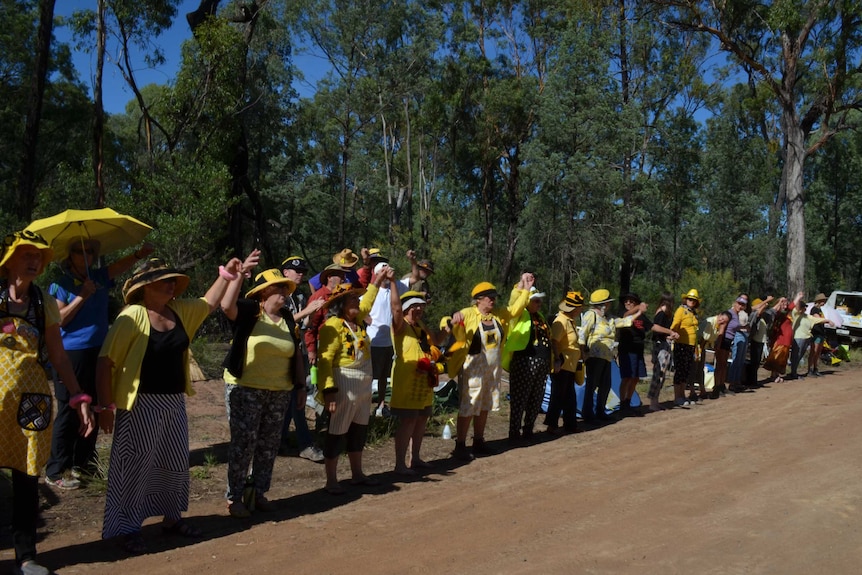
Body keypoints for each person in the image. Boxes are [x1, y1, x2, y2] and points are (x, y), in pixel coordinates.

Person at [96, 255, 244, 554]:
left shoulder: (178, 311)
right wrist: (104, 407)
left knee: (175, 464)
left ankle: (172, 518)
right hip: (140, 404)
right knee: (135, 466)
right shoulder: (132, 316)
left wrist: (226, 273)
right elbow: (105, 363)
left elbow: (209, 302)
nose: (171, 285)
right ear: (146, 286)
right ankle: (129, 527)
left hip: (174, 402)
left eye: (173, 281)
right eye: (164, 281)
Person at [0, 230, 94, 575]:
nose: (35, 260)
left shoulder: (43, 302)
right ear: (9, 259)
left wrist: (79, 397)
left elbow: (58, 354)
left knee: (27, 477)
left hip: (33, 400)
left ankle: (26, 557)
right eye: (27, 254)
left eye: (39, 255)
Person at [45, 238, 153, 490]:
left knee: (95, 405)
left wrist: (139, 253)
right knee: (68, 411)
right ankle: (56, 468)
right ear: (69, 256)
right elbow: (58, 320)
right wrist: (82, 295)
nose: (86, 256)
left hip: (98, 351)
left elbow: (119, 267)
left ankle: (84, 463)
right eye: (80, 251)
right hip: (70, 354)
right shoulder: (59, 285)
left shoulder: (100, 277)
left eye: (92, 252)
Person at [222, 264, 306, 518]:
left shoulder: (289, 319)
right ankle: (234, 497)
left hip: (279, 390)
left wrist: (301, 386)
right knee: (244, 443)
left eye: (285, 287)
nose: (283, 291)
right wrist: (237, 276)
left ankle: (258, 493)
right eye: (278, 286)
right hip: (245, 388)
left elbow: (298, 356)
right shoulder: (250, 311)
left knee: (269, 444)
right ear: (262, 292)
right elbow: (226, 306)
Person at [316, 271, 390, 494]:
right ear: (341, 305)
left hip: (364, 384)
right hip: (344, 383)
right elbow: (325, 359)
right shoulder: (332, 326)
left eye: (357, 299)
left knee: (359, 430)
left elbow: (368, 301)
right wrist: (328, 390)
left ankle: (357, 474)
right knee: (337, 432)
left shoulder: (358, 322)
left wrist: (376, 282)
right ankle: (331, 479)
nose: (357, 303)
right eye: (352, 300)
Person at [448, 274, 534, 460]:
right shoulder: (469, 313)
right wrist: (452, 319)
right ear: (478, 299)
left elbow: (515, 309)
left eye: (494, 297)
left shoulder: (498, 315)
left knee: (485, 405)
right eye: (489, 297)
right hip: (472, 369)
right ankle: (460, 445)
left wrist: (525, 289)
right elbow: (449, 321)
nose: (493, 300)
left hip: (492, 370)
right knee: (468, 407)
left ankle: (478, 441)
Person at [389, 286, 442, 474]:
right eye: (414, 306)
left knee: (422, 418)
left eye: (421, 306)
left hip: (424, 379)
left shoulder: (420, 326)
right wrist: (392, 283)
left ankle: (416, 458)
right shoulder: (400, 324)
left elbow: (436, 341)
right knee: (409, 420)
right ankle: (399, 464)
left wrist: (449, 327)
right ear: (405, 308)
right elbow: (395, 308)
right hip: (407, 379)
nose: (419, 309)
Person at [279, 255, 324, 462]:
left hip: (296, 351)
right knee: (295, 398)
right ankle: (304, 443)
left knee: (294, 397)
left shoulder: (298, 297)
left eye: (302, 272)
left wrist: (312, 314)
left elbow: (303, 324)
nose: (300, 274)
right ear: (285, 272)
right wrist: (308, 311)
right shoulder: (280, 295)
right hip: (281, 354)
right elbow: (284, 322)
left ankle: (280, 440)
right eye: (295, 270)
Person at [578, 289, 642, 423]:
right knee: (592, 386)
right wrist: (583, 353)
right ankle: (588, 414)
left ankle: (600, 412)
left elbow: (624, 322)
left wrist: (639, 312)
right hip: (594, 357)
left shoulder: (609, 318)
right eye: (608, 303)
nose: (609, 305)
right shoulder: (591, 315)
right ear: (602, 304)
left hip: (607, 357)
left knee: (605, 386)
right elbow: (583, 334)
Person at [362, 253, 409, 417]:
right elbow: (360, 306)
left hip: (390, 342)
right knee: (370, 377)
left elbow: (414, 278)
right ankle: (365, 407)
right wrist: (366, 318)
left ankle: (381, 405)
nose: (387, 275)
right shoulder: (371, 290)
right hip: (374, 341)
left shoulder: (394, 288)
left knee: (384, 377)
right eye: (383, 272)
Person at [617, 292, 677, 415]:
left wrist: (669, 331)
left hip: (638, 349)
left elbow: (653, 326)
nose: (628, 303)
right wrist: (638, 308)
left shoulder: (642, 317)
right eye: (626, 301)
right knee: (627, 377)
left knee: (635, 377)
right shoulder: (623, 313)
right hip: (627, 349)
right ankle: (622, 404)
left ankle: (628, 403)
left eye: (631, 301)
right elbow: (625, 316)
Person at [505, 286, 551, 441]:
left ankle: (528, 429)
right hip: (524, 361)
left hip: (542, 362)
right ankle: (514, 433)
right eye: (536, 300)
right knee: (520, 397)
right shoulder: (520, 314)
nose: (540, 303)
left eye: (540, 301)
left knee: (537, 397)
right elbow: (513, 301)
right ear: (527, 301)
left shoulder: (540, 316)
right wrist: (522, 286)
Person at [546, 291, 585, 433]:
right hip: (562, 364)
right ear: (575, 308)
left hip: (570, 365)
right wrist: (557, 360)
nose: (581, 309)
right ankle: (552, 425)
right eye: (580, 307)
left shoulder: (570, 321)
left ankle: (570, 425)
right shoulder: (560, 321)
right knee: (558, 395)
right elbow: (554, 342)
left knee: (569, 396)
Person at [670, 289, 701, 406]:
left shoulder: (692, 312)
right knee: (680, 370)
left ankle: (682, 395)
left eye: (694, 300)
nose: (692, 301)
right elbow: (675, 324)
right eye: (690, 299)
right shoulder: (681, 310)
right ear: (685, 299)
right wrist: (672, 333)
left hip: (691, 346)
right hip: (681, 344)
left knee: (686, 371)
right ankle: (677, 396)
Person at [646, 292, 674, 411]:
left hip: (664, 344)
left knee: (661, 373)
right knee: (658, 373)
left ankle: (656, 400)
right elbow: (656, 329)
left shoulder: (664, 313)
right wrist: (669, 332)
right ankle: (653, 401)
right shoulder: (661, 313)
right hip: (659, 346)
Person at [763, 295, 796, 383]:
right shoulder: (779, 313)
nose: (785, 305)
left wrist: (798, 297)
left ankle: (775, 374)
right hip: (780, 339)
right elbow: (790, 306)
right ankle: (774, 375)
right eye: (783, 303)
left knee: (782, 358)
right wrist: (780, 302)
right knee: (777, 357)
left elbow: (790, 306)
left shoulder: (785, 313)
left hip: (786, 340)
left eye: (786, 303)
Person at [808, 293, 829, 377]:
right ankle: (810, 369)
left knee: (818, 352)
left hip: (821, 333)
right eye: (823, 300)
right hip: (815, 333)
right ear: (819, 301)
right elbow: (818, 319)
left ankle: (815, 368)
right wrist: (827, 320)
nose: (824, 302)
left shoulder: (820, 310)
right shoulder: (814, 310)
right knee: (814, 351)